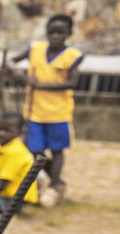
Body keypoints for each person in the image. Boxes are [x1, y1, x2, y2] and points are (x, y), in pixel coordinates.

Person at [10, 13, 82, 203]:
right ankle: (46, 181)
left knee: (57, 150)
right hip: (34, 111)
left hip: (59, 113)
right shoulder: (35, 49)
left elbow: (72, 82)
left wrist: (41, 85)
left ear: (68, 34)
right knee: (34, 150)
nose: (55, 36)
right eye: (52, 32)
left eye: (60, 32)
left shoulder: (72, 55)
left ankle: (54, 185)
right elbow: (10, 61)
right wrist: (20, 75)